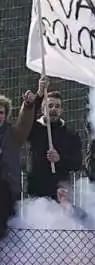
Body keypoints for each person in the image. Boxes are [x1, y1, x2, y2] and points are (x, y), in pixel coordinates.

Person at [0, 80, 43, 238]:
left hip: (9, 191)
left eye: (1, 112)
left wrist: (28, 105)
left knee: (8, 233)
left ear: (6, 115)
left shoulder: (13, 134)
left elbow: (24, 124)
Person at [27, 89, 83, 200]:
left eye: (57, 106)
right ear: (43, 109)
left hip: (61, 190)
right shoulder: (33, 129)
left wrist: (60, 159)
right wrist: (38, 95)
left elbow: (77, 163)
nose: (53, 109)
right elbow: (28, 115)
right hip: (37, 191)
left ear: (61, 110)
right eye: (50, 105)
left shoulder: (71, 134)